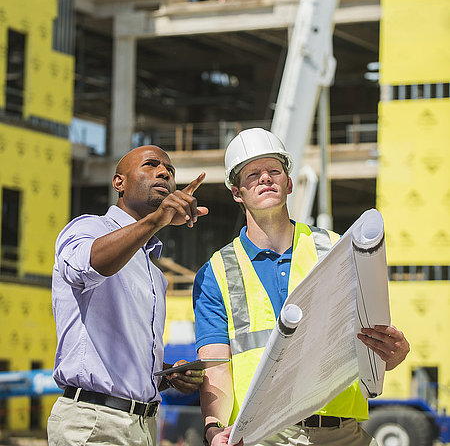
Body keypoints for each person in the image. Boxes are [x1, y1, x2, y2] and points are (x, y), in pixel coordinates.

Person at [193, 128, 410, 446]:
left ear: (289, 183)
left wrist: (394, 354)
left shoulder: (336, 247)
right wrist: (214, 428)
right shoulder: (215, 272)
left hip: (341, 432)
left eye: (274, 171)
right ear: (237, 192)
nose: (265, 178)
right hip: (260, 436)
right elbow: (216, 366)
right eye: (253, 174)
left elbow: (370, 336)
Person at [48, 145, 209, 446]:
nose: (164, 172)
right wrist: (155, 221)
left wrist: (165, 376)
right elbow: (86, 267)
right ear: (118, 183)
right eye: (151, 165)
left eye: (170, 171)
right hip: (94, 422)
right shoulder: (88, 228)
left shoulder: (153, 273)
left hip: (143, 425)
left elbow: (119, 361)